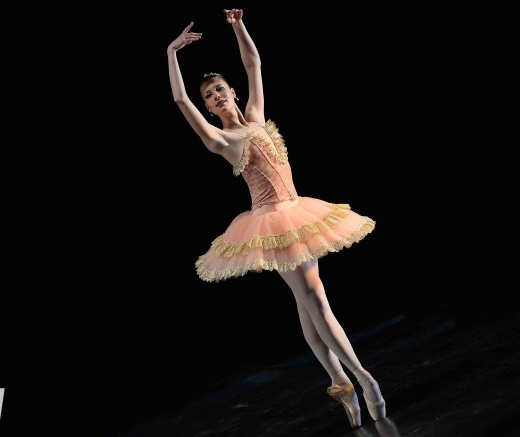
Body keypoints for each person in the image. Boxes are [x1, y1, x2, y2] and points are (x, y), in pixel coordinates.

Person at [166, 8, 387, 429]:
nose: (216, 96)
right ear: (208, 108)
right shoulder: (221, 140)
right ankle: (363, 377)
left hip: (299, 212)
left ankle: (340, 381)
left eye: (219, 88)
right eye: (209, 96)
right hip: (271, 224)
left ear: (231, 91)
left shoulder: (255, 116)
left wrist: (238, 26)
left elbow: (253, 63)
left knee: (307, 305)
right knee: (315, 299)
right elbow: (179, 100)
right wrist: (171, 53)